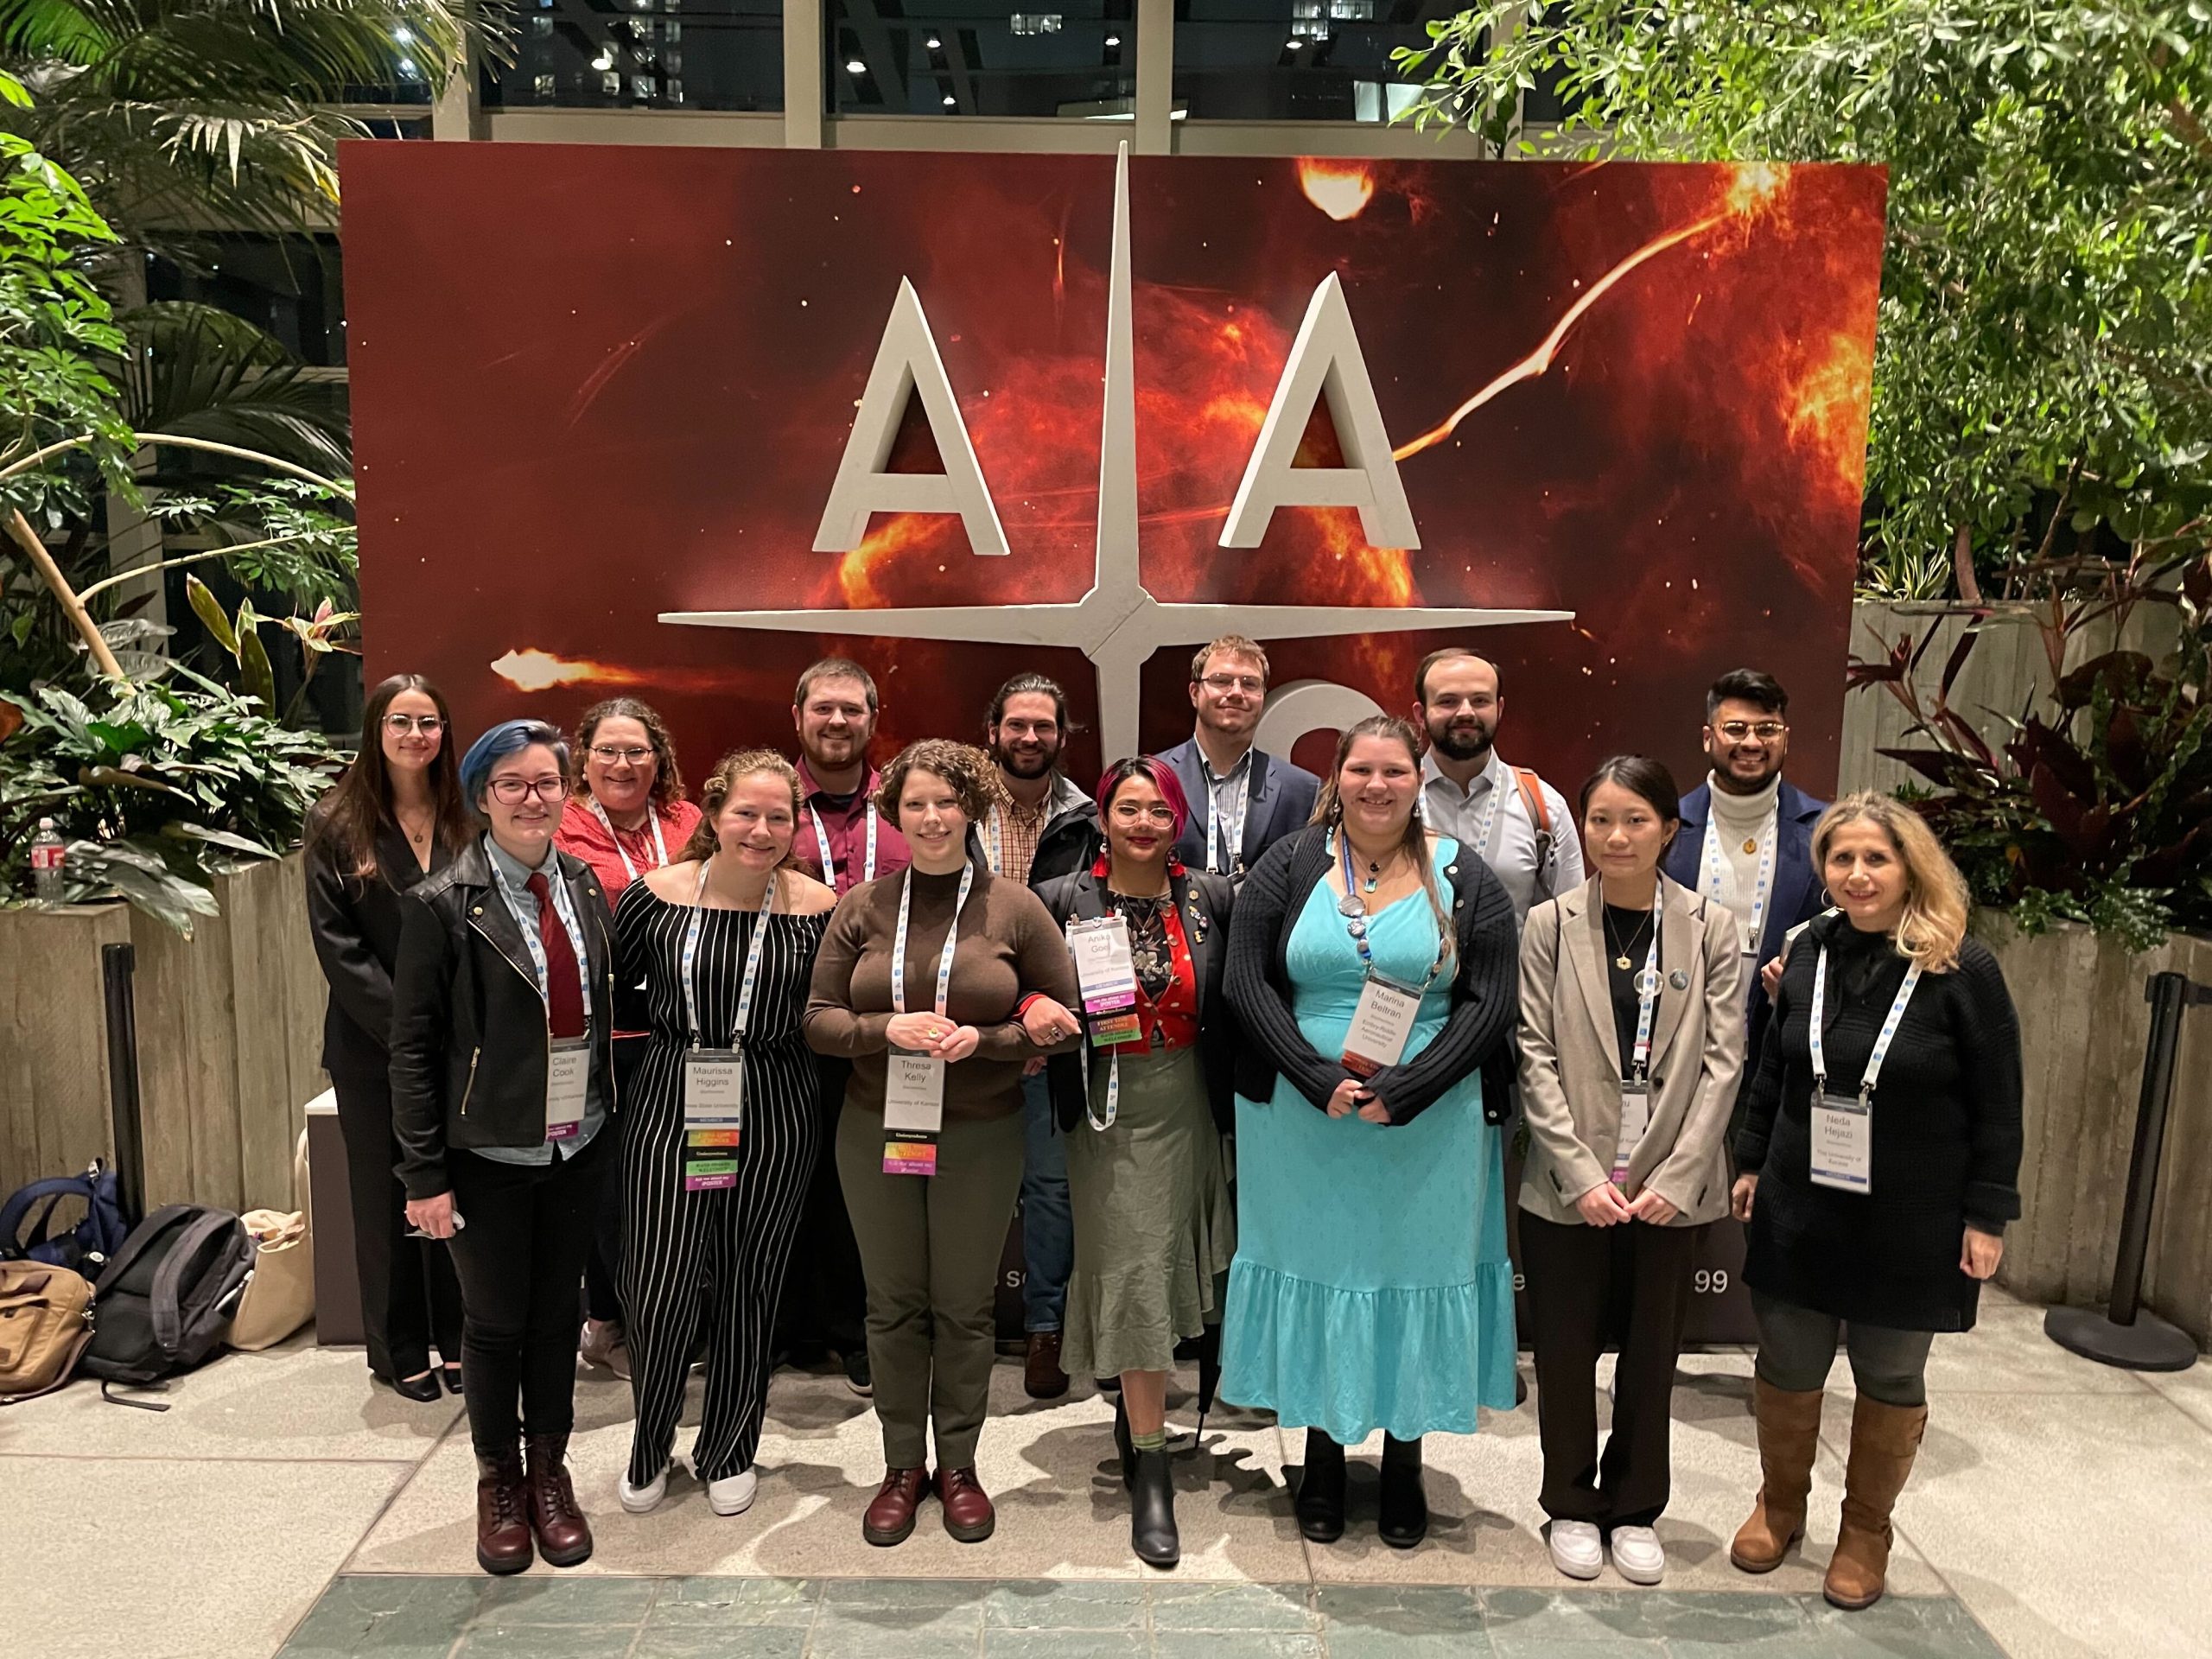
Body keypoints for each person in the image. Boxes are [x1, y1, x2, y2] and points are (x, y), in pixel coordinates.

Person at [1221, 715, 1520, 1550]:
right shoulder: (1288, 863)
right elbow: (1246, 982)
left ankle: (1403, 1462)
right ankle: (1320, 1456)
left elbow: (1491, 999)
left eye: (1394, 770)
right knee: (1319, 1271)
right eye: (1361, 770)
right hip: (1301, 1118)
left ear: (1415, 779)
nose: (1377, 785)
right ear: (1337, 778)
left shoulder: (1466, 876)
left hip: (1430, 1121)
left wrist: (1412, 1087)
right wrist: (1316, 1078)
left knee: (1410, 1276)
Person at [1729, 792, 2022, 1611]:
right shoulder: (1808, 950)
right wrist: (1749, 1162)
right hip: (1800, 1197)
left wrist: (1987, 1214)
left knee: (1890, 1372)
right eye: (1841, 859)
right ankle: (1780, 1505)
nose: (1856, 875)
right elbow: (1778, 1070)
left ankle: (1866, 1531)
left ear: (1911, 868)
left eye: (1876, 859)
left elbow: (2001, 1101)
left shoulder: (1963, 966)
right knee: (1787, 1362)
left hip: (1914, 1216)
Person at [804, 740, 1080, 1548]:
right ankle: (900, 1467)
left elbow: (1062, 1024)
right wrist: (885, 1026)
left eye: (947, 802)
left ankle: (958, 1464)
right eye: (916, 803)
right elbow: (817, 1021)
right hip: (875, 1126)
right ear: (895, 813)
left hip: (981, 1133)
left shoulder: (1016, 908)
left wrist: (988, 1041)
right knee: (892, 1306)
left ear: (974, 810)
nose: (931, 817)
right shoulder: (861, 906)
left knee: (962, 1310)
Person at [390, 719, 619, 1577]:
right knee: (493, 1326)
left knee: (558, 1315)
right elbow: (411, 1052)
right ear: (482, 797)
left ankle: (550, 1473)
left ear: (568, 792)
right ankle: (499, 1480)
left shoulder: (587, 888)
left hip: (578, 1144)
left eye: (548, 783)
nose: (534, 799)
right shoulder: (442, 904)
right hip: (487, 1153)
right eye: (514, 784)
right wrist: (422, 1174)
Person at [1516, 757, 1745, 1587]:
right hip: (1567, 1184)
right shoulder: (1549, 923)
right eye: (1601, 819)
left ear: (1669, 830)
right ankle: (1572, 1503)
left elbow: (1725, 1064)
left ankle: (1637, 1504)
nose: (1616, 836)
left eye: (1636, 820)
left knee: (1653, 1355)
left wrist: (1679, 1178)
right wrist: (1577, 1172)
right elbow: (1532, 1053)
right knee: (1567, 1353)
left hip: (1667, 1190)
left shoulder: (1711, 927)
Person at [611, 750, 838, 1521]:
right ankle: (649, 1443)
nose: (762, 829)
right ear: (713, 815)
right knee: (661, 1277)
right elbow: (614, 995)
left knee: (752, 1276)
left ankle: (730, 1444)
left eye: (780, 815)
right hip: (674, 1092)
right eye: (747, 811)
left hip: (778, 1098)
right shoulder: (653, 898)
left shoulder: (820, 906)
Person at [1033, 757, 1238, 1568]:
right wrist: (1032, 1006)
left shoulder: (1213, 897)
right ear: (1104, 819)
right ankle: (1151, 1468)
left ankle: (1137, 1417)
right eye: (1128, 808)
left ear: (1178, 817)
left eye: (1159, 809)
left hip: (1187, 1100)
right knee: (1134, 1267)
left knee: (1162, 1264)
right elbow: (1021, 980)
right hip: (1102, 1109)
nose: (1144, 823)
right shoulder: (1062, 899)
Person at [303, 673, 471, 1403]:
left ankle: (465, 1336)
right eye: (400, 722)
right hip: (373, 1044)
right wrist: (410, 1029)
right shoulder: (335, 823)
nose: (414, 736)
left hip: (462, 1042)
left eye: (428, 723)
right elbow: (338, 947)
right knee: (386, 1192)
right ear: (376, 730)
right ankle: (398, 1346)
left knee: (458, 1190)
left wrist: (458, 1026)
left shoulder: (470, 820)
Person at [555, 697, 704, 1383]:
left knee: (680, 1180)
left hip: (685, 1030)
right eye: (608, 750)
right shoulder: (560, 827)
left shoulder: (689, 822)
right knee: (611, 1187)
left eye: (637, 751)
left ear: (659, 757)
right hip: (602, 1037)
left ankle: (671, 1314)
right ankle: (613, 1322)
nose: (623, 764)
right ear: (583, 757)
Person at [778, 656, 908, 1396]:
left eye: (851, 710)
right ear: (799, 716)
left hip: (881, 1033)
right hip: (782, 1028)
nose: (836, 722)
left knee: (871, 1182)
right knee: (786, 1176)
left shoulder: (905, 804)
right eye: (823, 708)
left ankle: (859, 1325)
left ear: (872, 720)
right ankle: (790, 1325)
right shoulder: (766, 801)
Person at [982, 671, 1094, 1400]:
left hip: (1051, 1029)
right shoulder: (953, 810)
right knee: (955, 1183)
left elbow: (1090, 928)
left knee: (1052, 1189)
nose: (1030, 738)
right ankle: (954, 1327)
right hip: (962, 1027)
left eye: (1043, 727)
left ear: (1061, 735)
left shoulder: (1088, 819)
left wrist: (1041, 1018)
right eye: (1016, 725)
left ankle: (1046, 1328)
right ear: (992, 729)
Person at [1661, 670, 1827, 1122]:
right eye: (1735, 728)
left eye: (1767, 729)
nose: (1752, 742)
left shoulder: (1826, 832)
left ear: (1786, 738)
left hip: (1780, 1055)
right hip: (1677, 1056)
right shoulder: (1664, 829)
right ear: (1707, 737)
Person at [1412, 647, 1585, 926]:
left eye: (1480, 700)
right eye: (1448, 701)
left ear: (1499, 709)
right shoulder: (1393, 800)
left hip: (1513, 971)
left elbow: (1572, 922)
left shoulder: (1542, 807)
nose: (1466, 712)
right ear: (1421, 714)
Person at [1160, 635, 1320, 880]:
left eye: (1249, 684)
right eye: (1221, 681)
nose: (1236, 693)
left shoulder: (1302, 791)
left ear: (1263, 695)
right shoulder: (1153, 778)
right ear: (1195, 693)